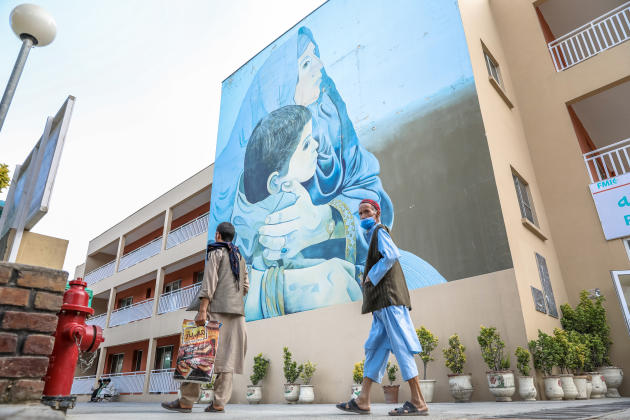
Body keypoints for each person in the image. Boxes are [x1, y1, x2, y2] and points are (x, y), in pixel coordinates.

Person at [234, 104, 361, 319]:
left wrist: (326, 220)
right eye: (305, 144)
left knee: (340, 273)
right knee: (336, 281)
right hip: (262, 293)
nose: (316, 145)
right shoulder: (268, 215)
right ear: (276, 182)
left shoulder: (285, 190)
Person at [336, 199, 429, 416]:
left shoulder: (379, 231)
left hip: (390, 302)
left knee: (401, 348)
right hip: (381, 306)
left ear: (377, 213)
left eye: (367, 212)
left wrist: (371, 275)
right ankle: (363, 400)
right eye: (360, 213)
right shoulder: (372, 236)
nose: (363, 216)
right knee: (375, 349)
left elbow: (393, 254)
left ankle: (418, 401)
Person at [162, 222, 248, 414]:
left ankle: (186, 401)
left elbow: (209, 283)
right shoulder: (240, 257)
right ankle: (218, 404)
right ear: (231, 237)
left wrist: (202, 310)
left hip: (215, 311)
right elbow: (245, 287)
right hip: (237, 315)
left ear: (218, 235)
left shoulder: (216, 253)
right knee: (227, 361)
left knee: (196, 355)